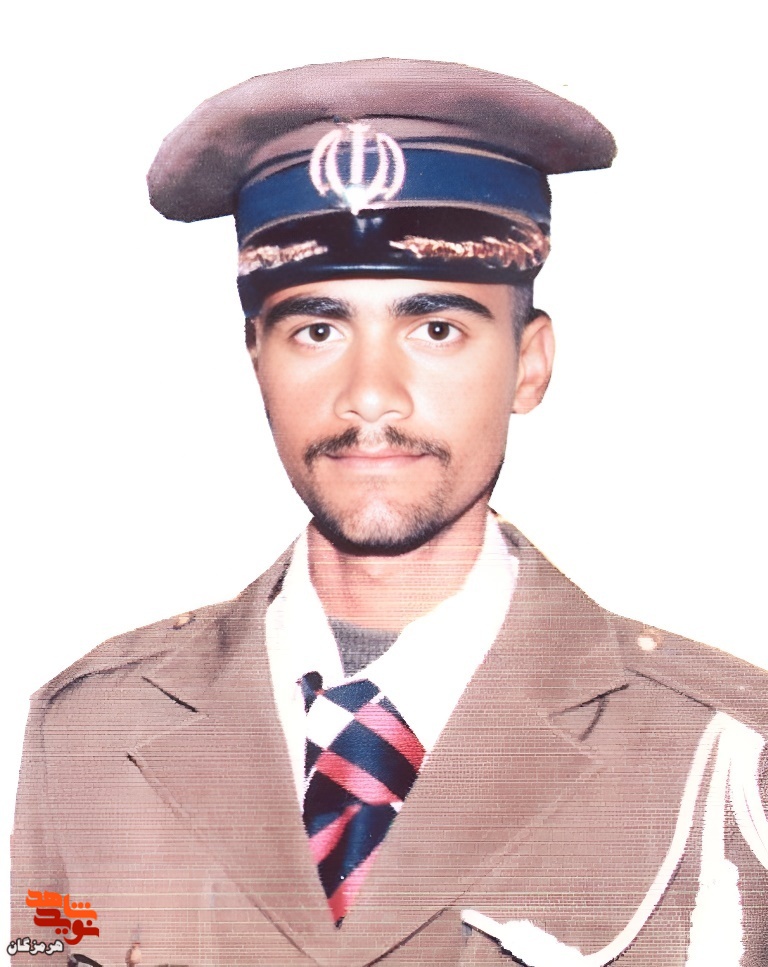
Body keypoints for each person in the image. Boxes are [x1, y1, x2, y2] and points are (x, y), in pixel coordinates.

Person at [11, 58, 768, 967]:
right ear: (257, 359)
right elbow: (45, 944)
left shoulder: (722, 752)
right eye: (317, 329)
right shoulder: (91, 733)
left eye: (436, 329)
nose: (371, 394)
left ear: (529, 365)